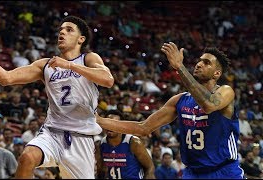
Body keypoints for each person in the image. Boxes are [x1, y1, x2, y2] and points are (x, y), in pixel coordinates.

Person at [0, 15, 114, 179]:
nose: (62, 32)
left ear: (81, 39)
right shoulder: (46, 65)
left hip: (80, 139)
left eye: (69, 30)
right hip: (52, 133)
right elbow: (6, 78)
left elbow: (108, 79)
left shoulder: (88, 58)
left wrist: (69, 65)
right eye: (60, 30)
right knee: (27, 157)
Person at [96, 42, 244, 178]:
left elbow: (209, 105)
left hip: (224, 171)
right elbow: (143, 128)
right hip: (193, 173)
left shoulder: (226, 92)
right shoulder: (180, 100)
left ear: (216, 74)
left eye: (206, 63)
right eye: (199, 60)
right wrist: (99, 120)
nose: (199, 64)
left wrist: (180, 67)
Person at [95, 110, 155, 179]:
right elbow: (100, 171)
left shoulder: (134, 142)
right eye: (107, 124)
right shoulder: (101, 145)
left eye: (113, 124)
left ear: (121, 126)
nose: (109, 127)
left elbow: (150, 167)